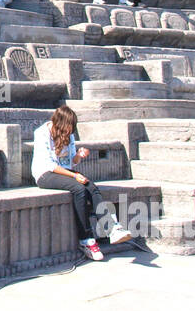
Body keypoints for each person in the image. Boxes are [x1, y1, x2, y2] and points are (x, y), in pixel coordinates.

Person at [33, 106, 130, 261]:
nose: (70, 131)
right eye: (68, 127)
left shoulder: (69, 135)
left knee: (91, 187)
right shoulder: (41, 133)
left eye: (72, 127)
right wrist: (74, 176)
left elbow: (71, 162)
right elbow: (49, 165)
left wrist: (78, 155)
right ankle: (86, 239)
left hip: (64, 172)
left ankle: (112, 228)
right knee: (79, 188)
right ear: (59, 123)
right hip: (44, 174)